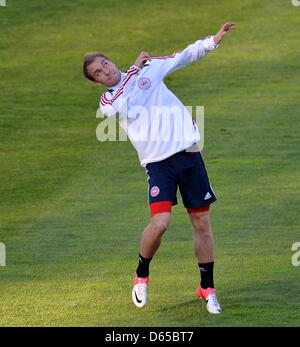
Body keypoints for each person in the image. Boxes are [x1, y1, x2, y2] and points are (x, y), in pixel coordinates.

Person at [83, 22, 235, 314]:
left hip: (189, 155)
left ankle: (207, 288)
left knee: (202, 223)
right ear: (97, 81)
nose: (106, 70)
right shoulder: (108, 101)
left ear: (110, 60)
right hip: (158, 165)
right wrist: (134, 70)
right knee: (160, 224)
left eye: (105, 63)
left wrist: (212, 41)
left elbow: (182, 56)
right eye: (98, 73)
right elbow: (118, 105)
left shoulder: (149, 70)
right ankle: (142, 273)